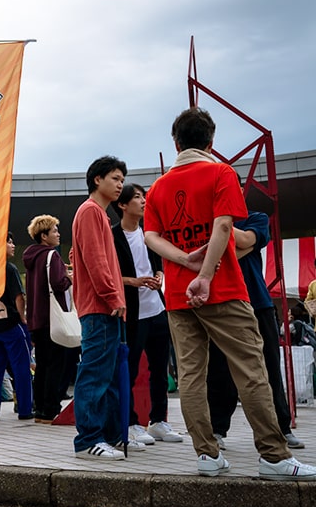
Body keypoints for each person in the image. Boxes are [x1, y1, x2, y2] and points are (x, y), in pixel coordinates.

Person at [143, 106, 315, 480]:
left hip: (177, 296)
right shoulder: (220, 172)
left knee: (191, 375)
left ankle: (206, 454)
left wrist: (184, 262)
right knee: (251, 372)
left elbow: (151, 237)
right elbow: (222, 227)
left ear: (175, 143)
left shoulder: (157, 188)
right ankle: (273, 455)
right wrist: (204, 274)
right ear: (211, 141)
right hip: (223, 289)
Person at [207, 211, 304, 450]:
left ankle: (282, 427)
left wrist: (222, 231)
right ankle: (217, 429)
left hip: (257, 303)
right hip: (222, 303)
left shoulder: (256, 218)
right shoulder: (206, 222)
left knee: (269, 366)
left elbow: (246, 241)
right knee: (220, 370)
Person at [111, 184, 182, 445]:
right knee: (128, 370)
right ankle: (129, 423)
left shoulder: (149, 233)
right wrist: (134, 281)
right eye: (138, 197)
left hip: (156, 308)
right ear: (123, 204)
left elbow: (158, 262)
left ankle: (158, 421)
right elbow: (109, 275)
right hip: (133, 312)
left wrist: (159, 274)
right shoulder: (113, 236)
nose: (143, 201)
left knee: (160, 368)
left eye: (144, 197)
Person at [71, 156, 132, 460]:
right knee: (95, 375)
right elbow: (96, 261)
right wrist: (114, 297)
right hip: (100, 308)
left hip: (103, 307)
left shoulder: (97, 215)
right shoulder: (92, 212)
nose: (120, 184)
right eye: (115, 178)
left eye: (122, 180)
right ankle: (88, 440)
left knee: (105, 376)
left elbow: (77, 254)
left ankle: (107, 436)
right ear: (98, 179)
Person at [22, 215, 72, 423]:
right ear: (44, 236)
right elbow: (59, 284)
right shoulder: (52, 255)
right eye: (54, 231)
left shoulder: (30, 258)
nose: (58, 234)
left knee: (42, 364)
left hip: (37, 318)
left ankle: (40, 408)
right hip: (53, 319)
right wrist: (69, 277)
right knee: (55, 365)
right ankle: (51, 408)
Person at [0, 233, 33, 421]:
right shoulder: (9, 269)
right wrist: (23, 318)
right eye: (8, 242)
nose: (12, 246)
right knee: (21, 367)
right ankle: (25, 409)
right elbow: (19, 296)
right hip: (11, 326)